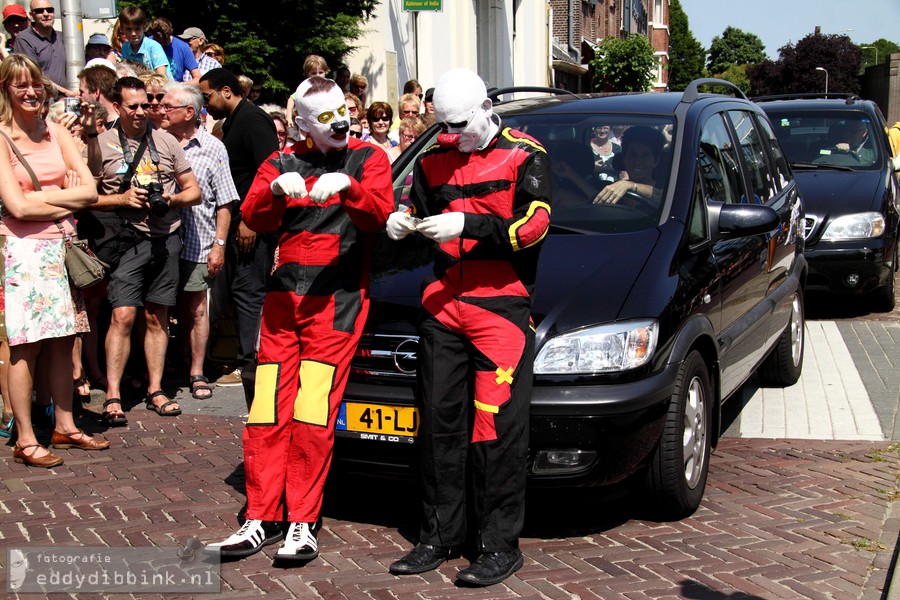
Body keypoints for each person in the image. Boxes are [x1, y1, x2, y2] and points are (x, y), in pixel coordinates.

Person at [203, 75, 393, 563]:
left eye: (342, 112)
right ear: (304, 124)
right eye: (326, 117)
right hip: (283, 305)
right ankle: (260, 516)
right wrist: (274, 196)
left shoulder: (369, 158)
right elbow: (255, 218)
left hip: (337, 303)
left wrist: (350, 189)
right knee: (266, 409)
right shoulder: (282, 159)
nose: (341, 122)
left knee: (312, 411)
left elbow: (380, 217)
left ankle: (302, 520)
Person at [386, 67, 551, 587]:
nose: (451, 136)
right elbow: (416, 207)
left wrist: (471, 224)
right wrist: (402, 220)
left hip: (500, 308)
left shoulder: (526, 154)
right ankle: (437, 534)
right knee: (437, 425)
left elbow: (536, 225)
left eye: (458, 125)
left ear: (484, 110)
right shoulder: (433, 158)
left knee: (496, 430)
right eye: (444, 126)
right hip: (443, 306)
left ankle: (498, 544)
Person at [0, 55, 107, 468]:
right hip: (21, 253)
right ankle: (25, 438)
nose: (30, 92)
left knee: (64, 341)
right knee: (25, 346)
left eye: (36, 85)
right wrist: (64, 197)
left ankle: (65, 425)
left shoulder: (56, 132)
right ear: (6, 90)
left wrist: (37, 199)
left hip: (60, 248)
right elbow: (14, 208)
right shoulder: (3, 138)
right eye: (20, 85)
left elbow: (91, 192)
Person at [87, 76, 201, 426]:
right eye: (132, 106)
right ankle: (113, 394)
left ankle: (155, 389)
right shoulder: (100, 145)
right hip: (124, 239)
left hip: (165, 237)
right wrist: (121, 199)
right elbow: (83, 197)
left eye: (145, 104)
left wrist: (172, 199)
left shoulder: (166, 141)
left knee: (157, 316)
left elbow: (193, 190)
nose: (140, 111)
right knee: (122, 316)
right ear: (117, 107)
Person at [198, 68, 279, 392]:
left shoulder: (253, 120)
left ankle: (254, 366)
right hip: (238, 225)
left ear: (226, 91)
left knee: (249, 294)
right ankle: (244, 361)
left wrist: (250, 220)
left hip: (252, 225)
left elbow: (270, 171)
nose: (206, 104)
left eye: (208, 97)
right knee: (238, 295)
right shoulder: (230, 124)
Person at [161, 82, 237, 399]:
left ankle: (196, 370)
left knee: (196, 310)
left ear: (189, 112)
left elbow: (225, 202)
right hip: (161, 243)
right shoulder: (154, 143)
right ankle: (162, 370)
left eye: (168, 106)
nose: (160, 110)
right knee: (158, 310)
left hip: (198, 242)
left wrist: (219, 245)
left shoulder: (213, 148)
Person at [13, 0, 74, 97]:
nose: (46, 14)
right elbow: (34, 75)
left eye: (49, 10)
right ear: (31, 15)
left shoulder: (62, 37)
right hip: (41, 101)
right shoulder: (24, 39)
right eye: (40, 11)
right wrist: (66, 92)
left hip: (65, 100)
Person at [593, 125, 665, 207]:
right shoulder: (613, 188)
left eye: (645, 156)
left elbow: (662, 196)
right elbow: (591, 199)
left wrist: (631, 185)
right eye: (632, 155)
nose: (638, 162)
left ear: (656, 161)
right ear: (624, 159)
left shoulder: (666, 188)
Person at [116, 6, 172, 79]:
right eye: (128, 29)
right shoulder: (125, 47)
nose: (133, 33)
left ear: (144, 27)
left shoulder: (153, 47)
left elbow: (162, 77)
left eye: (137, 29)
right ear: (122, 29)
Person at [146, 18, 200, 85]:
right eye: (161, 40)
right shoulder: (147, 44)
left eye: (167, 38)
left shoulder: (183, 47)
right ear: (153, 35)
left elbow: (198, 78)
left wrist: (179, 86)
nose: (165, 42)